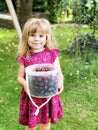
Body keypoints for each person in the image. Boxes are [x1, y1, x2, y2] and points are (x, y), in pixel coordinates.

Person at [16, 18, 64, 130]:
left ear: (47, 37)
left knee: (46, 123)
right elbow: (19, 77)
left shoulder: (52, 54)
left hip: (49, 95)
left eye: (41, 36)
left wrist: (61, 82)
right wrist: (25, 84)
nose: (37, 39)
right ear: (26, 37)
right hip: (32, 95)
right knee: (31, 125)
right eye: (32, 35)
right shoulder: (25, 57)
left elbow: (59, 73)